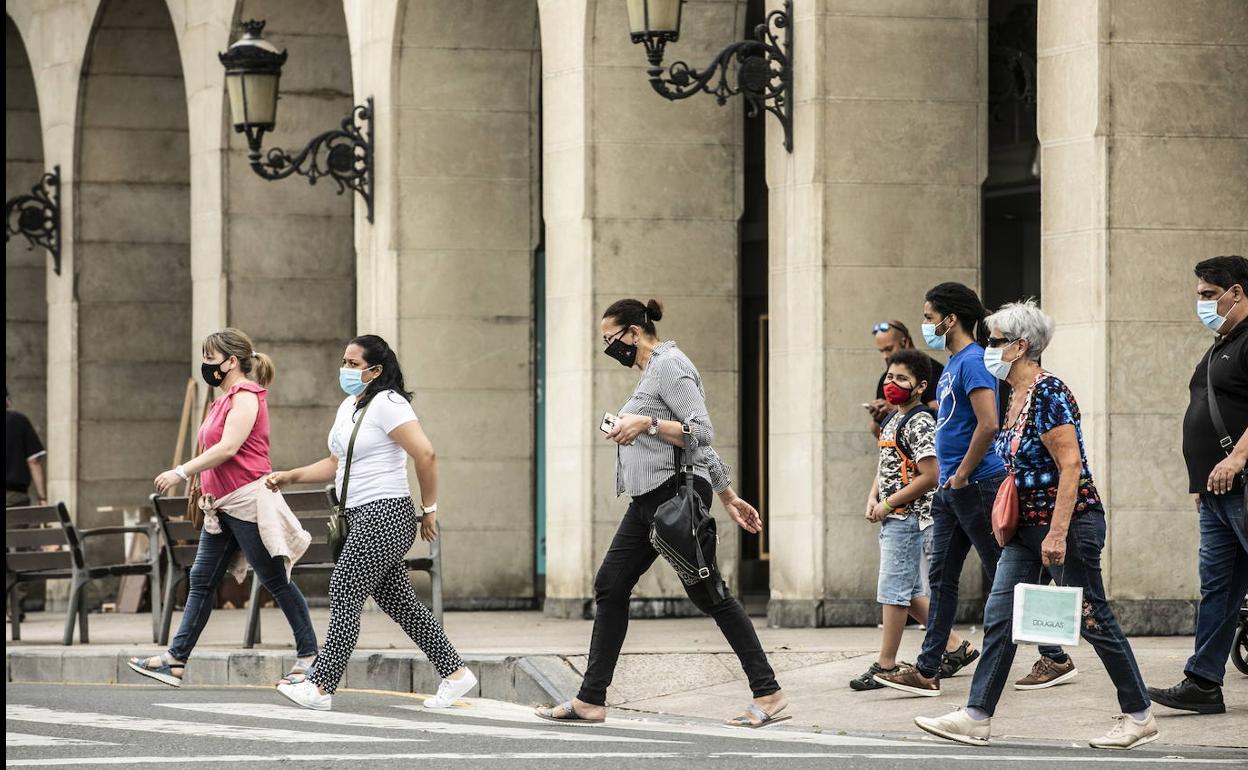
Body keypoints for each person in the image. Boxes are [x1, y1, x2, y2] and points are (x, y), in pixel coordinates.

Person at [912, 300, 1157, 749]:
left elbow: (1071, 465)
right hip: (1026, 529)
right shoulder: (1015, 395)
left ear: (1021, 346)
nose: (988, 349)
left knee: (1093, 618)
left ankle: (1138, 715)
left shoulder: (1048, 391)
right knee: (999, 616)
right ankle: (977, 714)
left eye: (996, 342)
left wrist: (1059, 532)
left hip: (1067, 523)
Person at [534, 299, 787, 728]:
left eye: (611, 339)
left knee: (710, 594)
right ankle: (591, 699)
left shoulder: (670, 365)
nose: (608, 348)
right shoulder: (650, 373)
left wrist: (646, 424)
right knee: (610, 586)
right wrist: (729, 495)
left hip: (673, 497)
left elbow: (702, 432)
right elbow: (697, 443)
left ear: (635, 332)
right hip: (647, 501)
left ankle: (769, 692)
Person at [875, 283, 1070, 696]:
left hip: (978, 483)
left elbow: (989, 423)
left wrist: (962, 473)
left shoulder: (975, 362)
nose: (925, 325)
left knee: (1008, 572)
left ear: (950, 319)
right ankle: (928, 670)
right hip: (952, 488)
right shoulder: (952, 366)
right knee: (942, 577)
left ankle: (1054, 655)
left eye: (929, 318)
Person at [269, 334, 474, 712]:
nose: (345, 370)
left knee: (344, 587)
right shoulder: (350, 405)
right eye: (344, 362)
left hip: (386, 512)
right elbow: (336, 464)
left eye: (353, 364)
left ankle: (320, 686)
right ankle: (456, 674)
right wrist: (290, 475)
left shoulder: (388, 403)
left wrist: (430, 509)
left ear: (375, 370)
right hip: (359, 514)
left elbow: (425, 453)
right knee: (401, 604)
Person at [128, 329, 318, 688]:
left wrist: (182, 471)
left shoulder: (246, 395)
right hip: (222, 507)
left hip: (246, 502)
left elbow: (229, 447)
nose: (206, 364)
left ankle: (309, 656)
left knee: (276, 580)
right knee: (201, 580)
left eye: (211, 357)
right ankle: (175, 660)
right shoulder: (223, 400)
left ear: (231, 362)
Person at [1149, 255, 1248, 716]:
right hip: (1215, 492)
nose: (1203, 304)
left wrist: (1239, 455)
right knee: (1218, 589)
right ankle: (1204, 681)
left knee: (1222, 587)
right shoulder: (1220, 345)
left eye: (1210, 295)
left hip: (1242, 482)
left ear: (1237, 293)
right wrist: (1200, 480)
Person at [851, 349, 972, 691]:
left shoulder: (920, 421)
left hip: (909, 517)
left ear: (920, 387)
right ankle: (955, 646)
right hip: (894, 514)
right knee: (910, 591)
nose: (892, 384)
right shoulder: (891, 419)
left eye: (901, 379)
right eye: (889, 377)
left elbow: (930, 474)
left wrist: (888, 504)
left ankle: (886, 665)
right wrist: (873, 496)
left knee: (893, 591)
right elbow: (887, 463)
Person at [866, 321, 944, 437]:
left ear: (905, 342)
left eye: (889, 349)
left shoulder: (932, 370)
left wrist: (898, 408)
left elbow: (941, 415)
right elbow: (877, 429)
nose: (885, 356)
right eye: (881, 351)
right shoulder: (885, 378)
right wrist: (879, 415)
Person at [6, 388, 47, 508]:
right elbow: (34, 462)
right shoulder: (20, 421)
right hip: (14, 497)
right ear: (7, 401)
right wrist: (42, 498)